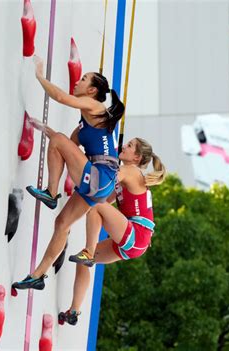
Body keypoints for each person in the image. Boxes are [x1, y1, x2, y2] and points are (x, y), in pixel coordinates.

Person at [12, 56, 125, 291]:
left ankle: (51, 194)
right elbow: (66, 148)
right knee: (62, 223)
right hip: (99, 183)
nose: (78, 81)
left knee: (59, 140)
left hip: (100, 177)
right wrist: (45, 130)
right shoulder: (84, 124)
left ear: (92, 90)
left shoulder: (95, 106)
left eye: (83, 79)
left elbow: (62, 98)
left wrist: (40, 76)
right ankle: (37, 275)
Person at [58, 138, 166, 326]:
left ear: (137, 157)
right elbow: (104, 198)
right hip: (135, 242)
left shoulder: (130, 171)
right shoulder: (127, 177)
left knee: (96, 208)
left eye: (129, 146)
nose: (124, 146)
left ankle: (88, 253)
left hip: (137, 233)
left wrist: (90, 160)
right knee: (82, 263)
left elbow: (100, 184)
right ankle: (74, 311)